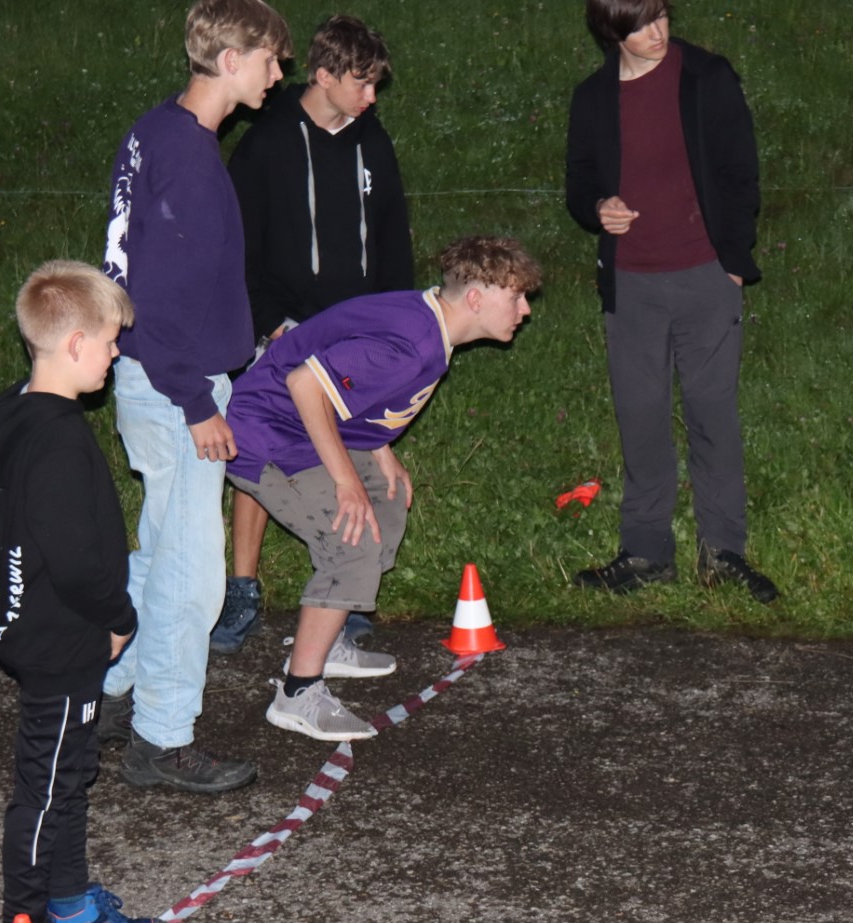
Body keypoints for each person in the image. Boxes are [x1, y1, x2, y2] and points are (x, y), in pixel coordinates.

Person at [223, 236, 540, 741]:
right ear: (476, 299)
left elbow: (359, 388)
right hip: (265, 437)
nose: (525, 310)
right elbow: (306, 384)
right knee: (352, 541)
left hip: (311, 429)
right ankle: (297, 693)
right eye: (517, 297)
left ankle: (328, 641)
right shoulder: (412, 345)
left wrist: (379, 447)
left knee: (386, 505)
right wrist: (345, 480)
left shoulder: (432, 323)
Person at [99, 0, 292, 794]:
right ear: (232, 59)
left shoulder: (157, 129)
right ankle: (162, 737)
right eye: (272, 59)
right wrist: (197, 400)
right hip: (171, 381)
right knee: (192, 573)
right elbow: (161, 295)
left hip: (149, 372)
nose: (279, 74)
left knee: (160, 547)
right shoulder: (189, 159)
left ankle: (109, 692)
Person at [0, 261, 172, 923]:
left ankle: (70, 901)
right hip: (63, 637)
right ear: (77, 344)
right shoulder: (56, 441)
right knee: (44, 789)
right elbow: (76, 557)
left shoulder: (19, 411)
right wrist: (119, 617)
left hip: (52, 630)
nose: (117, 354)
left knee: (70, 772)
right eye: (112, 342)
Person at [564, 0, 779, 604]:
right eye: (640, 26)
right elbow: (579, 181)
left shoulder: (707, 77)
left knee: (713, 414)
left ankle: (723, 552)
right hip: (631, 282)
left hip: (705, 274)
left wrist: (733, 259)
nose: (658, 32)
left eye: (661, 16)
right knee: (641, 415)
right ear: (612, 33)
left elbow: (741, 171)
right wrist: (598, 207)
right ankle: (646, 552)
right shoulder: (593, 97)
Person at [213, 13, 414, 655]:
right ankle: (242, 587)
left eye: (376, 83)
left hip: (354, 335)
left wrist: (393, 321)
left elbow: (393, 239)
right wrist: (273, 323)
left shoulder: (371, 141)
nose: (371, 96)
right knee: (265, 449)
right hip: (281, 327)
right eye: (361, 83)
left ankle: (346, 591)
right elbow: (239, 249)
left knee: (348, 444)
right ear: (323, 75)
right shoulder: (267, 143)